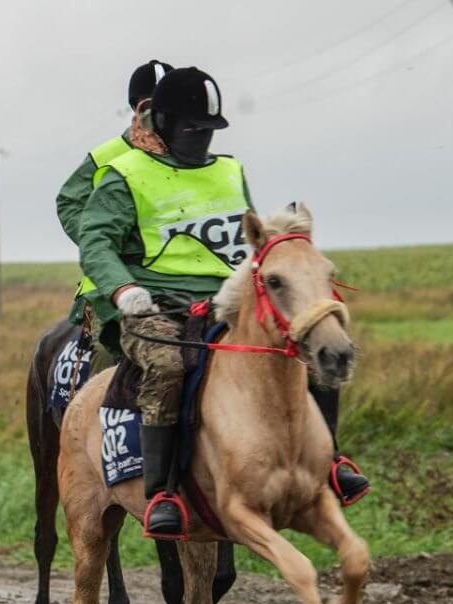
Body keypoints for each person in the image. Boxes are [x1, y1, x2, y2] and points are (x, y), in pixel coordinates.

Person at [78, 67, 368, 537]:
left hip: (227, 301)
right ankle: (163, 491)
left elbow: (254, 242)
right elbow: (96, 243)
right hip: (156, 307)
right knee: (169, 367)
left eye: (209, 131)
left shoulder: (230, 171)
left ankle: (329, 462)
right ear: (164, 123)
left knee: (312, 342)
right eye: (193, 130)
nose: (202, 140)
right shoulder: (123, 176)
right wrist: (122, 290)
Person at [56, 59, 172, 372]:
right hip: (112, 288)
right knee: (110, 362)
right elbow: (68, 203)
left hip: (183, 284)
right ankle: (101, 418)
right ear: (136, 108)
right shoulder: (104, 158)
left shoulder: (192, 158)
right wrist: (104, 250)